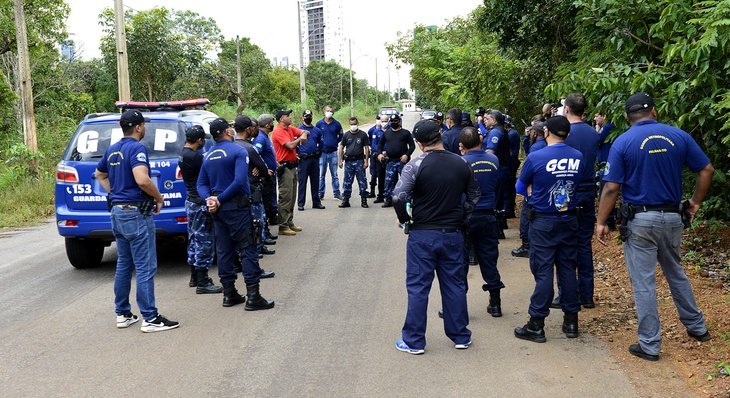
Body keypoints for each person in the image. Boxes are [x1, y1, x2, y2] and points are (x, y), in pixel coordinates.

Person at [596, 92, 713, 361]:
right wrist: (694, 203)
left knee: (644, 282)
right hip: (673, 218)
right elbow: (706, 169)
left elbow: (612, 187)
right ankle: (697, 328)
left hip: (640, 222)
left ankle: (649, 344)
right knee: (676, 272)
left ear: (628, 117)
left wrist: (601, 222)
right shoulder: (678, 136)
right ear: (655, 111)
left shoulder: (623, 142)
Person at [392, 120, 479, 354]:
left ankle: (414, 341)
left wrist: (405, 219)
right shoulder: (461, 162)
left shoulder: (415, 165)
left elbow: (399, 196)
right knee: (454, 284)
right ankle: (460, 335)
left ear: (419, 144)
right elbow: (473, 195)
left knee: (419, 287)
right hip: (452, 233)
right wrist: (461, 217)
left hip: (422, 234)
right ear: (440, 136)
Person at [95, 110, 179, 332]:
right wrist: (158, 197)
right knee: (145, 266)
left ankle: (122, 313)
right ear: (139, 127)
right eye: (145, 125)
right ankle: (150, 318)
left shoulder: (112, 150)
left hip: (117, 212)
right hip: (135, 213)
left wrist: (114, 193)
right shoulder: (137, 148)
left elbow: (99, 174)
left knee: (124, 263)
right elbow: (142, 180)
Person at [513, 116, 583, 343]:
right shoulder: (578, 157)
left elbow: (521, 186)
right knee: (567, 269)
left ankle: (536, 324)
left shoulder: (536, 157)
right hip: (569, 218)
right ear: (568, 134)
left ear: (546, 133)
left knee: (543, 271)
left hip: (543, 221)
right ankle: (571, 321)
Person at [197, 117, 275, 311]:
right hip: (236, 207)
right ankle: (253, 296)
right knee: (248, 248)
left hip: (218, 210)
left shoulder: (207, 155)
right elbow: (240, 181)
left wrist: (210, 199)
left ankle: (229, 293)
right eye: (229, 128)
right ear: (227, 131)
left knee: (224, 251)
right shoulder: (238, 151)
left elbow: (201, 184)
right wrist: (220, 199)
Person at [459, 126, 504, 317]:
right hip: (488, 215)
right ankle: (495, 303)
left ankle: (458, 306)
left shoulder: (460, 163)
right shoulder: (493, 160)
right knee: (489, 259)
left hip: (466, 216)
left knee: (461, 262)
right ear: (481, 141)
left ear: (461, 146)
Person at [563, 93, 602, 308]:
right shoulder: (593, 133)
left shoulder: (564, 133)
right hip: (588, 189)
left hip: (569, 190)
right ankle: (587, 294)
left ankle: (568, 293)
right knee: (584, 243)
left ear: (567, 109)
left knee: (566, 243)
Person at [179, 125, 223, 294]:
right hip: (199, 202)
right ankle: (203, 281)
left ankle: (194, 277)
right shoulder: (196, 157)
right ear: (199, 140)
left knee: (194, 239)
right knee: (204, 240)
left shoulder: (183, 153)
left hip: (191, 201)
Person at [233, 116, 278, 271]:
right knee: (256, 220)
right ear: (248, 129)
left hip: (247, 189)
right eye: (254, 127)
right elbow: (263, 168)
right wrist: (264, 171)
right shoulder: (248, 148)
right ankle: (257, 248)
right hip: (252, 188)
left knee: (260, 218)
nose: (256, 130)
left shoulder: (236, 146)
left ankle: (260, 244)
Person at [512, 122, 546, 258]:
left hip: (533, 188)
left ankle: (527, 245)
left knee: (526, 217)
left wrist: (523, 186)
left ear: (535, 133)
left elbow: (525, 175)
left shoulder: (537, 147)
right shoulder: (545, 144)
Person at [271, 109, 308, 236]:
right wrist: (300, 139)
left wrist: (302, 135)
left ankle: (289, 221)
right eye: (288, 116)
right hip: (285, 167)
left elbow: (305, 131)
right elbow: (291, 146)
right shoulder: (278, 131)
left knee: (292, 197)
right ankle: (283, 225)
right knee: (285, 197)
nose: (290, 117)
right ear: (281, 119)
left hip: (292, 166)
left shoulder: (290, 129)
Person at [377, 113, 415, 208]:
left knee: (405, 181)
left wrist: (407, 155)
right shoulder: (387, 133)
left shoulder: (405, 133)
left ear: (399, 121)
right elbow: (380, 144)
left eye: (396, 121)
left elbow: (412, 145)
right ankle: (388, 200)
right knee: (389, 182)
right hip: (390, 161)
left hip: (402, 161)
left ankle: (406, 200)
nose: (394, 123)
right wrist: (380, 154)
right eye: (392, 121)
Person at [483, 110, 511, 238]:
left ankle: (497, 229)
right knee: (498, 199)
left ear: (494, 120)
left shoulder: (495, 132)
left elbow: (490, 151)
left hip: (497, 169)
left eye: (487, 119)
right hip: (501, 168)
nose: (485, 121)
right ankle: (499, 227)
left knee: (496, 199)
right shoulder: (500, 130)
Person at [254, 114, 279, 243]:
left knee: (269, 203)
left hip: (270, 175)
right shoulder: (260, 138)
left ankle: (266, 232)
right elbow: (256, 154)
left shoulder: (265, 137)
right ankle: (264, 234)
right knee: (265, 205)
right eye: (272, 122)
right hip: (265, 177)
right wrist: (263, 168)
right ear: (268, 125)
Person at [338, 117, 370, 208]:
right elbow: (341, 147)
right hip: (349, 162)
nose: (353, 126)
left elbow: (367, 148)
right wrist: (340, 160)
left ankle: (364, 200)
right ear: (349, 124)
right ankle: (346, 200)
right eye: (351, 124)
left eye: (354, 124)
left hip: (359, 161)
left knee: (362, 181)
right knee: (347, 182)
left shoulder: (363, 135)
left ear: (357, 123)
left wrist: (366, 161)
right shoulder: (346, 135)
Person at [297, 110, 326, 211]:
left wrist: (319, 152)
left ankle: (316, 202)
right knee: (302, 182)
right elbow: (294, 144)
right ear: (302, 117)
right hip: (303, 159)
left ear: (312, 117)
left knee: (315, 181)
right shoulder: (298, 130)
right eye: (306, 116)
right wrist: (298, 154)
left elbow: (321, 143)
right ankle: (300, 203)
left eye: (309, 116)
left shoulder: (317, 130)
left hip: (314, 159)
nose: (308, 117)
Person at [316, 105, 343, 200]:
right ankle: (320, 193)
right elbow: (316, 135)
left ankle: (337, 193)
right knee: (321, 175)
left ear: (333, 112)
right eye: (327, 110)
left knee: (334, 175)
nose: (329, 112)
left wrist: (335, 142)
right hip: (322, 152)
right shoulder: (319, 123)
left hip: (333, 152)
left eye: (331, 111)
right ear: (324, 111)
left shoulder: (337, 124)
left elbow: (341, 135)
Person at [504, 115, 521, 218]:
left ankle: (509, 209)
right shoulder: (511, 132)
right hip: (511, 162)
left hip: (511, 163)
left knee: (509, 187)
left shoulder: (512, 134)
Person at [367, 114, 386, 199]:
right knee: (374, 173)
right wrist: (379, 151)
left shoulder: (388, 130)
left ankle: (384, 193)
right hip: (375, 155)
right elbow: (372, 143)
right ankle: (372, 191)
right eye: (378, 119)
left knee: (384, 175)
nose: (380, 121)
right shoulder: (372, 131)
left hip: (385, 155)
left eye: (383, 120)